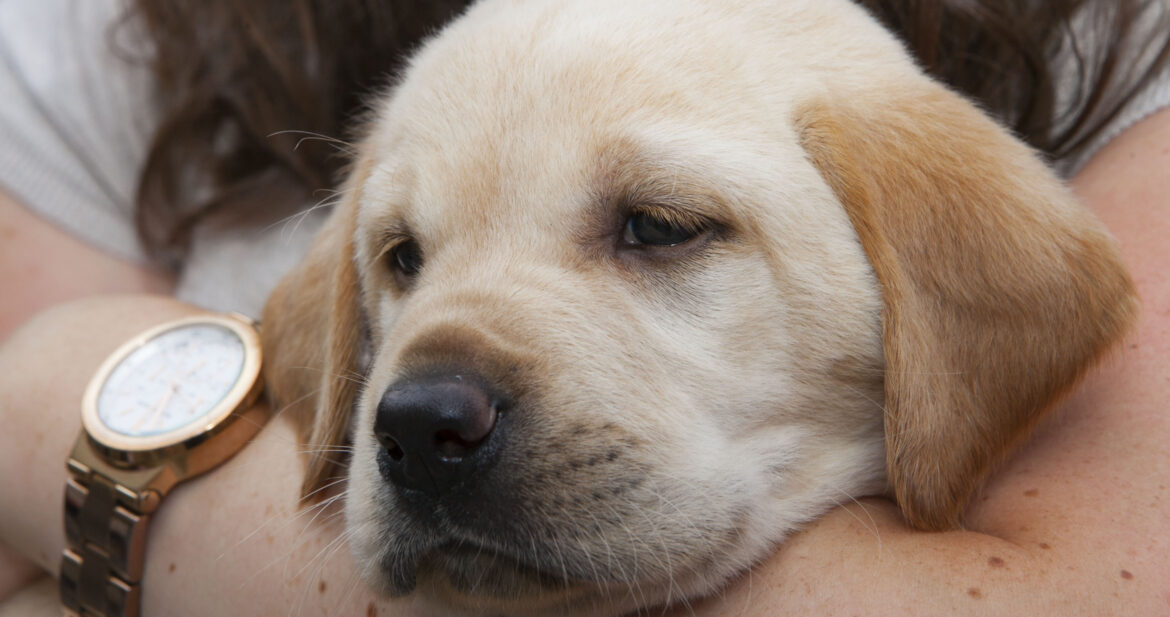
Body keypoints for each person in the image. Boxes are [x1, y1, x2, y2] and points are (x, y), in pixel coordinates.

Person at [2, 0, 1168, 614]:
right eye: (404, 255)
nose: (424, 403)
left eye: (658, 230)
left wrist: (58, 386)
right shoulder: (85, 38)